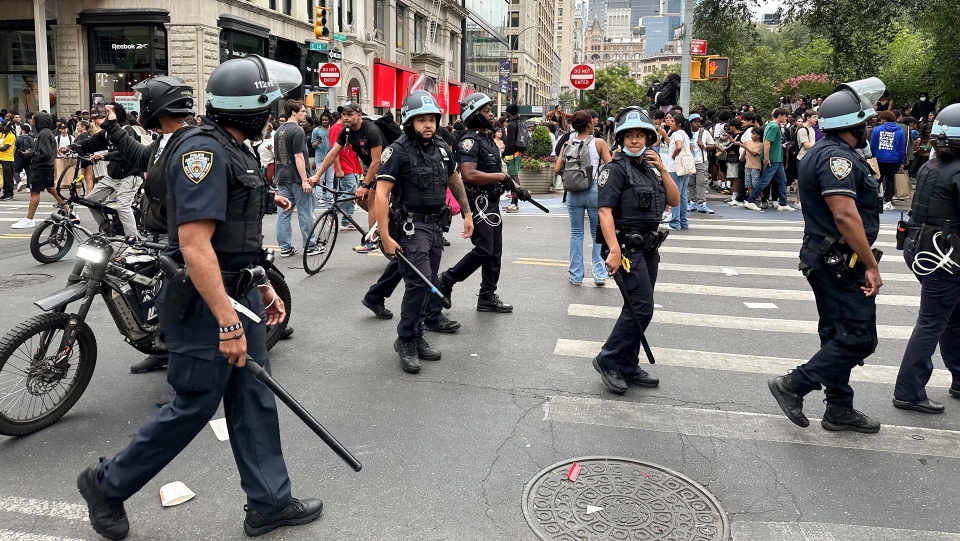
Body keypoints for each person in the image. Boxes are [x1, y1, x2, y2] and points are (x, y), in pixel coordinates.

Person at [74, 56, 319, 541]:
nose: (273, 112)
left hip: (238, 293)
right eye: (267, 104)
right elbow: (195, 245)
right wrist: (227, 321)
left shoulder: (237, 147)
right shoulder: (203, 153)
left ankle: (269, 503)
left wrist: (262, 285)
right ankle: (105, 484)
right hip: (205, 303)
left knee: (253, 398)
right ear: (249, 108)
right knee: (194, 404)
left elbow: (237, 238)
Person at [767, 78, 886, 434]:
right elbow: (845, 216)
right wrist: (871, 265)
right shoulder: (837, 159)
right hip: (838, 262)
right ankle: (794, 385)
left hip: (826, 257)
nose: (868, 128)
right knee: (859, 337)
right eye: (865, 123)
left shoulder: (821, 152)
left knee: (837, 334)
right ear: (854, 125)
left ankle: (839, 408)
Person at [374, 87, 474, 373]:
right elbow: (381, 195)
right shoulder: (397, 151)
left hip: (435, 227)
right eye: (422, 119)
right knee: (419, 283)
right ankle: (405, 339)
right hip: (410, 227)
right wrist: (385, 236)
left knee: (427, 282)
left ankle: (416, 335)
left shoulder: (443, 148)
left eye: (432, 118)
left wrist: (467, 213)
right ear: (409, 122)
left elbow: (455, 179)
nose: (428, 124)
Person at [592, 107, 679, 393]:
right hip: (628, 248)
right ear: (620, 138)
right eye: (629, 136)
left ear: (649, 138)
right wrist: (614, 250)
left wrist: (663, 169)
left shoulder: (651, 169)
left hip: (649, 246)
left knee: (636, 307)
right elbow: (604, 211)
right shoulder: (614, 169)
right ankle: (609, 359)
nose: (634, 140)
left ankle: (628, 363)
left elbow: (674, 200)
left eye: (640, 135)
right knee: (641, 306)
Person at [428, 91, 531, 318]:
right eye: (485, 110)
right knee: (484, 249)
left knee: (495, 252)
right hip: (479, 203)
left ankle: (487, 295)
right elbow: (469, 174)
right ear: (473, 114)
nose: (490, 114)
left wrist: (515, 187)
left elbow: (496, 171)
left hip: (492, 202)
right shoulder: (469, 141)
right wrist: (500, 179)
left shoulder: (487, 139)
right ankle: (447, 279)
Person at [892, 104, 960, 414]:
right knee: (932, 321)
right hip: (943, 257)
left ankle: (958, 377)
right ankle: (909, 390)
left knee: (952, 317)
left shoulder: (931, 167)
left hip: (922, 249)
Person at [310, 102, 384, 253]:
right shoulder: (346, 132)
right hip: (373, 166)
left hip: (389, 165)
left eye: (350, 114)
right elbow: (332, 154)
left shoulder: (371, 130)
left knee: (371, 198)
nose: (346, 118)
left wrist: (364, 185)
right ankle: (383, 220)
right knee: (360, 199)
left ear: (359, 115)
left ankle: (372, 241)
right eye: (343, 115)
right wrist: (317, 175)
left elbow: (377, 161)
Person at [66, 102, 145, 238]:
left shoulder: (128, 130)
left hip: (130, 175)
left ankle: (134, 239)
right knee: (90, 200)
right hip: (113, 175)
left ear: (117, 114)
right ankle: (106, 227)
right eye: (104, 112)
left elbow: (125, 153)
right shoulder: (106, 133)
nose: (104, 114)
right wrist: (72, 147)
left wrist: (104, 156)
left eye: (108, 112)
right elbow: (91, 142)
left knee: (122, 207)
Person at [555, 110, 612, 286]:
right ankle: (599, 274)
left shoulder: (567, 143)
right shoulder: (599, 143)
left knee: (576, 234)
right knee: (597, 235)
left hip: (573, 193)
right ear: (590, 124)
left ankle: (576, 276)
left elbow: (557, 169)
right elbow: (610, 167)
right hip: (594, 191)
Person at [273, 100, 319, 258]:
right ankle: (310, 245)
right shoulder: (297, 130)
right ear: (293, 112)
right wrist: (305, 179)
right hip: (296, 177)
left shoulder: (279, 130)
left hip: (282, 176)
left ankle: (285, 247)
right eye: (302, 111)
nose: (305, 114)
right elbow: (298, 157)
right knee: (305, 211)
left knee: (284, 212)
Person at [12, 112, 68, 229]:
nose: (32, 121)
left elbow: (45, 153)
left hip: (41, 167)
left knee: (35, 192)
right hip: (48, 166)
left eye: (34, 119)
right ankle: (70, 211)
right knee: (52, 189)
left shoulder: (43, 134)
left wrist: (31, 153)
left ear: (39, 121)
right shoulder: (49, 133)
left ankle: (29, 219)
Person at [744, 109, 796, 212]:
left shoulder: (770, 125)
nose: (786, 118)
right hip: (773, 158)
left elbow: (769, 142)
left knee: (782, 180)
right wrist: (766, 158)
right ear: (780, 116)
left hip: (776, 158)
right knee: (764, 180)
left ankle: (783, 203)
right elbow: (767, 142)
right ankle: (750, 201)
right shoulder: (774, 126)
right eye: (785, 116)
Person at [870, 110, 905, 211]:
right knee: (890, 181)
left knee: (877, 180)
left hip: (879, 159)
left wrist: (872, 157)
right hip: (893, 159)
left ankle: (875, 200)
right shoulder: (899, 131)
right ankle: (887, 201)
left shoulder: (877, 130)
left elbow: (873, 144)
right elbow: (901, 148)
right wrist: (901, 162)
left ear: (884, 120)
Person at [664, 112, 691, 230]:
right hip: (685, 168)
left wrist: (674, 156)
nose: (670, 123)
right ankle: (683, 221)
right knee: (683, 195)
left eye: (673, 121)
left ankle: (675, 222)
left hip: (676, 168)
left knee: (675, 194)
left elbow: (678, 147)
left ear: (678, 124)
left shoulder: (678, 134)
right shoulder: (685, 133)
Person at [688, 113, 716, 214]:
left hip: (701, 161)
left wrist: (704, 146)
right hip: (689, 162)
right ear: (690, 123)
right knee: (690, 183)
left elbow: (713, 145)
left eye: (699, 122)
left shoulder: (704, 132)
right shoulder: (686, 132)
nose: (697, 124)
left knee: (701, 183)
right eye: (695, 122)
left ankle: (702, 203)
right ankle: (692, 201)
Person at [502, 104, 525, 213]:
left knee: (513, 178)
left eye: (506, 111)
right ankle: (513, 202)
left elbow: (509, 142)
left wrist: (504, 154)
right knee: (514, 177)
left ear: (509, 112)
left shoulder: (511, 124)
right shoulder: (518, 121)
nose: (505, 113)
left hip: (512, 154)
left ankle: (515, 204)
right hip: (517, 153)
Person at [311, 112, 334, 206]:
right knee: (319, 179)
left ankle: (330, 196)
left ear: (329, 120)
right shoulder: (316, 130)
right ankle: (320, 197)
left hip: (331, 158)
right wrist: (317, 143)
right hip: (320, 158)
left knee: (330, 179)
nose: (324, 121)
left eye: (326, 120)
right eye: (323, 120)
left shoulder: (332, 130)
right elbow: (312, 145)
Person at [0, 121, 15, 200]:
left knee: (8, 178)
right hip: (0, 158)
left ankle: (9, 193)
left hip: (7, 159)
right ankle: (5, 193)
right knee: (2, 178)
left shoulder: (11, 136)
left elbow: (4, 148)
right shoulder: (1, 135)